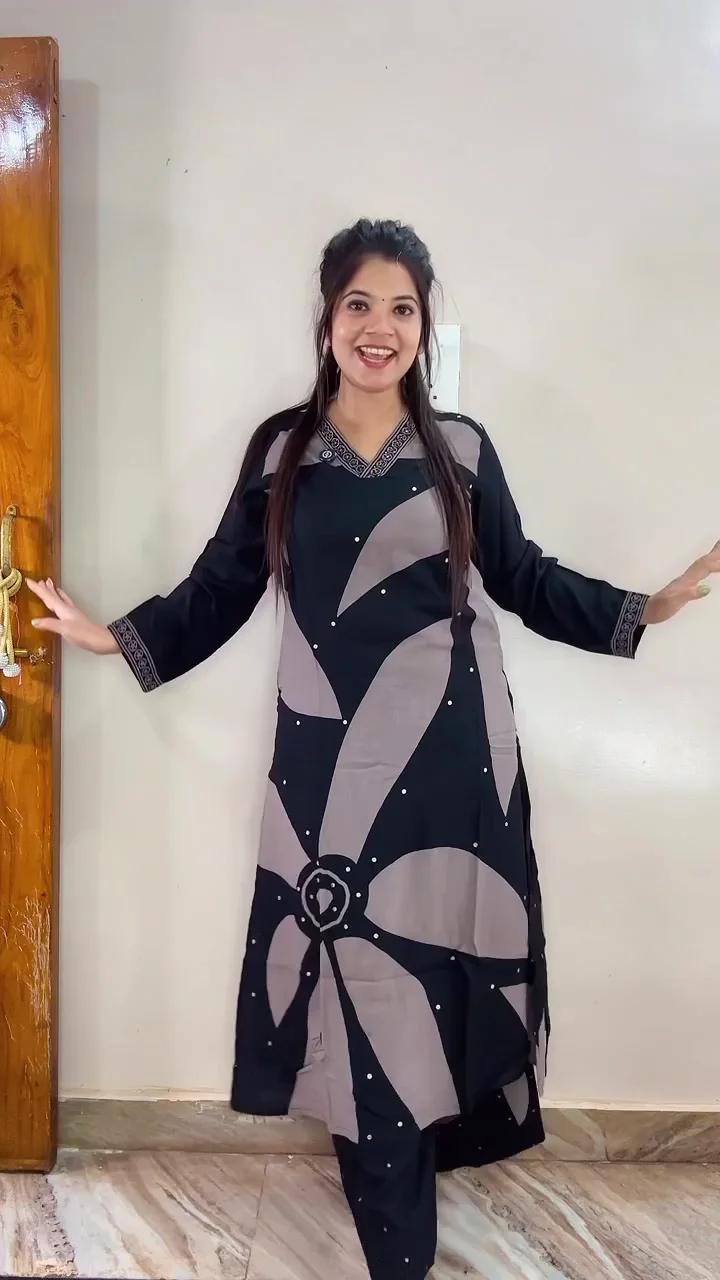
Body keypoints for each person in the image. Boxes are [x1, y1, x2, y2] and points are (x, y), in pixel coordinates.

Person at [29, 219, 717, 1280]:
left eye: (402, 308)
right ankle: (399, 1238)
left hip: (456, 766)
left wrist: (647, 606)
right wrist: (113, 635)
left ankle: (420, 1171)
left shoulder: (463, 450)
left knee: (437, 967)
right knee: (357, 978)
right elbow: (221, 586)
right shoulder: (283, 452)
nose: (379, 327)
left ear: (423, 327)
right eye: (360, 304)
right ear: (328, 318)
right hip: (326, 775)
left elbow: (525, 578)